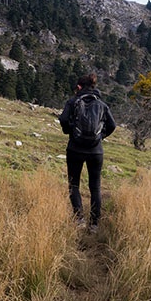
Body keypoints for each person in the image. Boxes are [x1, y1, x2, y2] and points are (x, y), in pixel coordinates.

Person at [58, 73, 116, 232]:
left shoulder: (73, 101)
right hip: (96, 151)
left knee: (74, 184)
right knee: (95, 187)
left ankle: (79, 219)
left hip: (75, 149)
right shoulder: (102, 105)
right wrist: (100, 137)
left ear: (78, 87)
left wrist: (70, 132)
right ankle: (95, 224)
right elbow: (112, 125)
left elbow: (63, 119)